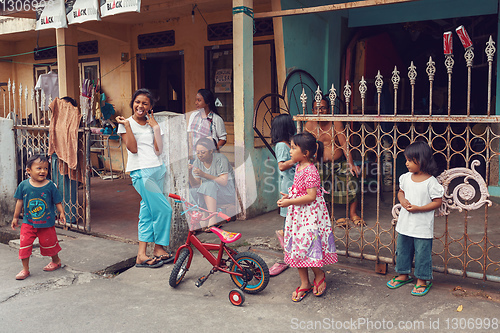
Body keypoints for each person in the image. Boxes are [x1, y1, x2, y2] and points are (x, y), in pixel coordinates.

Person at [116, 88, 174, 268]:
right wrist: (127, 125)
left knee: (147, 213)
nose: (140, 106)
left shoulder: (153, 124)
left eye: (145, 103)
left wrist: (155, 127)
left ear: (150, 107)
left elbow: (159, 150)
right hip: (141, 172)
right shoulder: (126, 124)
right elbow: (133, 149)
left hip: (157, 170)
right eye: (137, 102)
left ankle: (141, 255)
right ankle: (159, 248)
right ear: (133, 103)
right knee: (165, 210)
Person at [277, 132, 338, 301]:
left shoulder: (311, 171)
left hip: (309, 216)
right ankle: (305, 283)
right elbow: (299, 190)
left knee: (307, 246)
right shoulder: (298, 166)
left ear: (305, 153)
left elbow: (311, 196)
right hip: (298, 215)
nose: (290, 151)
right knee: (297, 248)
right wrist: (289, 196)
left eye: (294, 148)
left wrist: (290, 202)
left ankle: (319, 274)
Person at [386, 141, 444, 296]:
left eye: (410, 160)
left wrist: (419, 208)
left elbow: (437, 202)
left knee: (422, 253)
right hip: (405, 223)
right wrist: (402, 200)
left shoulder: (431, 182)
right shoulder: (405, 177)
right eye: (406, 160)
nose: (407, 163)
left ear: (422, 160)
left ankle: (422, 279)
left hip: (422, 226)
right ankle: (403, 274)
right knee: (403, 250)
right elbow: (401, 192)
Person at [304, 96, 363, 228]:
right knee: (315, 183)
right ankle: (327, 215)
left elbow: (343, 144)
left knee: (352, 177)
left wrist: (351, 164)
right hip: (319, 163)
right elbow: (305, 146)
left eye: (323, 108)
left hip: (339, 162)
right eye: (317, 108)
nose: (320, 111)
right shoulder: (309, 124)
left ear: (329, 109)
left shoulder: (335, 122)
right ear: (313, 111)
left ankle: (353, 214)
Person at [11, 154, 66, 280]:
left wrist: (61, 213)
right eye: (39, 168)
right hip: (28, 222)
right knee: (24, 245)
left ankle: (56, 261)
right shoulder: (23, 185)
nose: (43, 171)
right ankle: (25, 269)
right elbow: (19, 202)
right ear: (29, 170)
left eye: (45, 168)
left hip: (46, 222)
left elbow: (57, 201)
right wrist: (15, 217)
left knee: (50, 244)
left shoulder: (50, 185)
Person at [268, 114, 296, 277]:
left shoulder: (288, 144)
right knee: (289, 217)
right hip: (288, 186)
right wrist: (296, 159)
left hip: (293, 184)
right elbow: (282, 166)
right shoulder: (281, 146)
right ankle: (287, 252)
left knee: (292, 217)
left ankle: (290, 249)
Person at [189, 137, 236, 231]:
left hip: (226, 193)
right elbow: (196, 185)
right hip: (210, 193)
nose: (200, 155)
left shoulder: (220, 159)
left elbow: (224, 181)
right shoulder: (197, 162)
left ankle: (213, 221)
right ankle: (196, 222)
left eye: (203, 152)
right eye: (197, 152)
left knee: (208, 185)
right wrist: (189, 173)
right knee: (192, 191)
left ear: (211, 151)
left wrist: (204, 175)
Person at [187, 89, 227, 159]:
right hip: (194, 156)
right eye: (196, 100)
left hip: (209, 158)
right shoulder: (193, 116)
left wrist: (213, 150)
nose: (196, 103)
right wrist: (190, 152)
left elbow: (223, 139)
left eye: (199, 100)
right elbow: (190, 135)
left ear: (207, 102)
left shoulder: (216, 119)